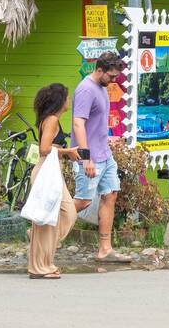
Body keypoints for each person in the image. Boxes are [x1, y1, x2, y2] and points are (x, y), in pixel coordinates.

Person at [72, 50, 131, 263]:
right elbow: (79, 123)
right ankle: (46, 232)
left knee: (110, 194)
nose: (114, 80)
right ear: (99, 70)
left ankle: (105, 249)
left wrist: (108, 139)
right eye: (111, 76)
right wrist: (86, 158)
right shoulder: (86, 90)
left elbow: (95, 124)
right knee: (83, 201)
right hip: (90, 157)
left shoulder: (102, 88)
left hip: (105, 155)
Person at [27, 83, 81, 279]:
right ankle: (40, 267)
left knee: (66, 214)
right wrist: (69, 152)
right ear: (60, 101)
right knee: (48, 221)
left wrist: (66, 154)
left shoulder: (52, 119)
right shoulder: (51, 120)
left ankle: (40, 252)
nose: (69, 101)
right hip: (46, 170)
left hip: (52, 170)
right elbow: (44, 148)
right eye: (67, 97)